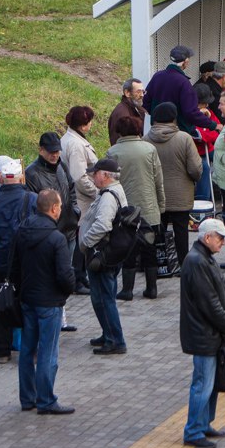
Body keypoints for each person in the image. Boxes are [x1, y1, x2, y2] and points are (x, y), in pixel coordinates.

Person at [13, 188, 75, 414]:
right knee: (48, 352)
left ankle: (27, 398)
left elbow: (15, 267)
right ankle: (46, 400)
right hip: (49, 303)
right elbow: (65, 275)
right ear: (54, 208)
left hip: (28, 299)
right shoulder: (56, 238)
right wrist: (64, 294)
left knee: (27, 350)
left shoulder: (22, 231)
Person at [179, 218, 225, 448]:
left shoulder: (203, 258)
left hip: (209, 333)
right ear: (207, 237)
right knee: (203, 384)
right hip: (204, 334)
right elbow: (209, 302)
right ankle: (193, 430)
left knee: (210, 384)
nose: (223, 242)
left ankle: (203, 424)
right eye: (220, 237)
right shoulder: (197, 262)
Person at [25, 132, 80, 329]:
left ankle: (61, 317)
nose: (55, 155)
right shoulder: (31, 173)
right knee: (50, 275)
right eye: (51, 152)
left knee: (65, 272)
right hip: (48, 234)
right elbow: (32, 204)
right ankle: (55, 318)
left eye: (57, 151)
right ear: (40, 150)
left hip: (68, 229)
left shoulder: (62, 167)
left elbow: (72, 189)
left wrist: (75, 210)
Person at [0, 159, 38, 363]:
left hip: (2, 260)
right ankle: (31, 350)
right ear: (20, 178)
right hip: (25, 261)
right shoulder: (32, 199)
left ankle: (2, 351)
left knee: (3, 302)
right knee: (28, 303)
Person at [107, 116, 164, 301]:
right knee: (150, 248)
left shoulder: (113, 152)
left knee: (128, 249)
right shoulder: (149, 149)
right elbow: (158, 179)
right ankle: (152, 288)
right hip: (149, 206)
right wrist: (161, 204)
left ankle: (127, 289)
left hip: (125, 209)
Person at [79, 158, 128, 355]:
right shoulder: (115, 190)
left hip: (101, 254)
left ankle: (115, 340)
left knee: (103, 298)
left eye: (95, 173)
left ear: (105, 175)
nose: (93, 176)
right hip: (110, 253)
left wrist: (85, 243)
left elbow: (103, 225)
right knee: (104, 296)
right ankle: (108, 332)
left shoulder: (108, 196)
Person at [145, 102, 202, 268]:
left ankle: (161, 264)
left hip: (156, 195)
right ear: (174, 117)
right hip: (181, 193)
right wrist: (193, 179)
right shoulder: (184, 138)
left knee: (158, 229)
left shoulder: (146, 140)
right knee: (181, 230)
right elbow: (195, 168)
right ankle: (183, 264)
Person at [144, 45, 217, 136]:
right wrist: (213, 125)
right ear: (185, 62)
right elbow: (190, 112)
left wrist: (159, 118)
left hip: (156, 131)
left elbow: (146, 103)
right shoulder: (184, 83)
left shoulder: (157, 76)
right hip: (177, 133)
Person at [108, 78, 147, 146]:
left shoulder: (137, 108)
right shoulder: (121, 113)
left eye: (143, 92)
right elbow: (117, 142)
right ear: (127, 93)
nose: (142, 95)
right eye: (138, 92)